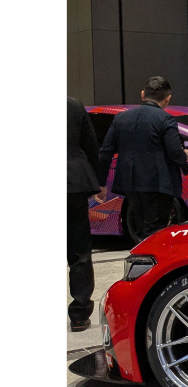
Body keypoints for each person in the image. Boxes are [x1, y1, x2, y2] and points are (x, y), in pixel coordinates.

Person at [96, 76, 188, 242]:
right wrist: (185, 159)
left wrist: (101, 182)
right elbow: (174, 151)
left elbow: (105, 151)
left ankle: (143, 254)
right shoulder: (165, 119)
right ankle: (151, 257)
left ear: (142, 95)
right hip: (158, 183)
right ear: (167, 99)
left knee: (141, 228)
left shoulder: (121, 118)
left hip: (129, 183)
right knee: (156, 231)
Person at [67, 97, 104, 331]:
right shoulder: (73, 105)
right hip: (73, 182)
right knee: (79, 249)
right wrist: (97, 179)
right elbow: (91, 145)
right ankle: (79, 313)